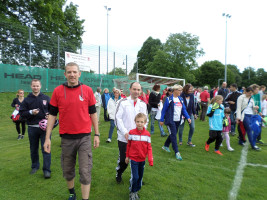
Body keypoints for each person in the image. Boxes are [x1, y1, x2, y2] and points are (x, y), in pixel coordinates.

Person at [43, 62, 100, 200]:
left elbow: (93, 113)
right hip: (66, 138)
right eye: (69, 72)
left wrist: (97, 134)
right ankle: (72, 193)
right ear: (65, 74)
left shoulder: (87, 90)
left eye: (75, 72)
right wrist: (47, 138)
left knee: (85, 171)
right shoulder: (57, 91)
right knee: (68, 170)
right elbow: (52, 115)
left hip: (84, 138)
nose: (72, 74)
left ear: (79, 74)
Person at [115, 82, 148, 183]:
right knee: (124, 161)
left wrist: (142, 132)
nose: (136, 92)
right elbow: (117, 119)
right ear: (130, 89)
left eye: (138, 90)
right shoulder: (122, 102)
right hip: (124, 138)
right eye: (134, 89)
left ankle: (136, 180)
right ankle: (119, 172)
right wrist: (125, 132)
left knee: (138, 161)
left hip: (138, 139)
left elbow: (145, 120)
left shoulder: (142, 104)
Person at [19, 79, 51, 178]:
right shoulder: (27, 100)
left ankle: (46, 170)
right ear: (31, 86)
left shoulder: (46, 98)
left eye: (37, 86)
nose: (35, 87)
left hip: (45, 128)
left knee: (46, 148)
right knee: (33, 149)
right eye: (34, 86)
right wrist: (30, 112)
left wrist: (49, 115)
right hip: (32, 128)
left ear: (40, 86)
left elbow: (53, 111)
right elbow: (22, 114)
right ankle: (35, 166)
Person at [125, 113, 153, 200]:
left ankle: (136, 191)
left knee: (140, 177)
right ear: (135, 122)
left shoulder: (147, 134)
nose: (139, 123)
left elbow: (149, 148)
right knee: (135, 177)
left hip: (142, 160)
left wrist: (150, 160)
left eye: (141, 122)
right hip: (133, 159)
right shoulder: (132, 133)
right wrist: (127, 156)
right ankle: (132, 192)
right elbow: (128, 145)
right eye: (138, 122)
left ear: (145, 122)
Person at [160, 84, 191, 161]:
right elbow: (163, 110)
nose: (181, 91)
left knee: (172, 134)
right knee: (174, 135)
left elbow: (183, 109)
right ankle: (177, 152)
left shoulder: (181, 99)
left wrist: (188, 117)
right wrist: (161, 120)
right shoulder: (169, 99)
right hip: (170, 121)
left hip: (178, 120)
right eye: (179, 90)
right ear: (175, 90)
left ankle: (165, 146)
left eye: (181, 90)